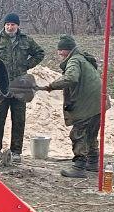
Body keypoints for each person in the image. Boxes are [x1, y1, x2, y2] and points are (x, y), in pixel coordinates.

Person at [39, 35, 105, 178]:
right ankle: (93, 162)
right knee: (91, 133)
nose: (59, 53)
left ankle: (79, 167)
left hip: (86, 103)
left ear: (68, 50)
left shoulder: (74, 60)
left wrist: (52, 85)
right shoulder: (82, 58)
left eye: (61, 50)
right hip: (98, 102)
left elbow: (71, 78)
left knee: (78, 133)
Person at [0, 13, 45, 162]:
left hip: (20, 85)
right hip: (1, 85)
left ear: (18, 26)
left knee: (18, 119)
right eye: (8, 24)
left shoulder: (26, 40)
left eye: (13, 24)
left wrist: (26, 65)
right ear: (4, 25)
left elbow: (40, 53)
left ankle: (16, 151)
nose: (10, 27)